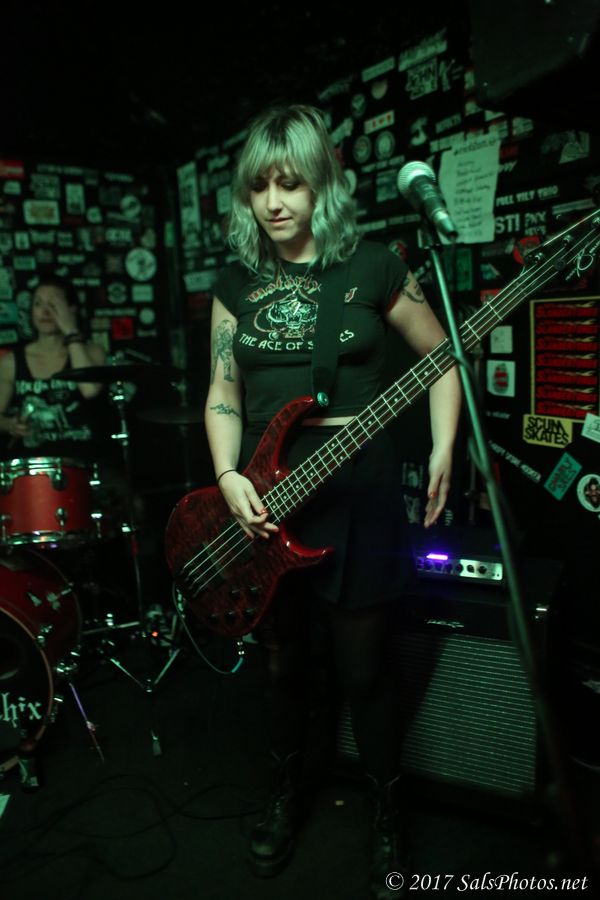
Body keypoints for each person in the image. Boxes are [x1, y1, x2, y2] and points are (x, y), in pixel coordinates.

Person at [205, 104, 461, 898]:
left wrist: (444, 445)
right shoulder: (234, 285)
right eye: (260, 187)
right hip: (267, 494)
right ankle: (286, 794)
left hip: (359, 487)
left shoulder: (375, 266)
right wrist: (227, 476)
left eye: (291, 184)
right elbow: (222, 391)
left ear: (322, 185)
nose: (274, 202)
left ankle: (386, 809)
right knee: (283, 663)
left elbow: (443, 355)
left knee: (363, 668)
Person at [0, 274, 106, 459]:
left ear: (71, 310)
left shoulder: (93, 352)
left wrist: (71, 331)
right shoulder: (11, 361)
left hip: (80, 463)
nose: (45, 311)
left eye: (54, 304)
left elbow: (90, 389)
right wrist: (11, 424)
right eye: (38, 304)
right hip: (32, 466)